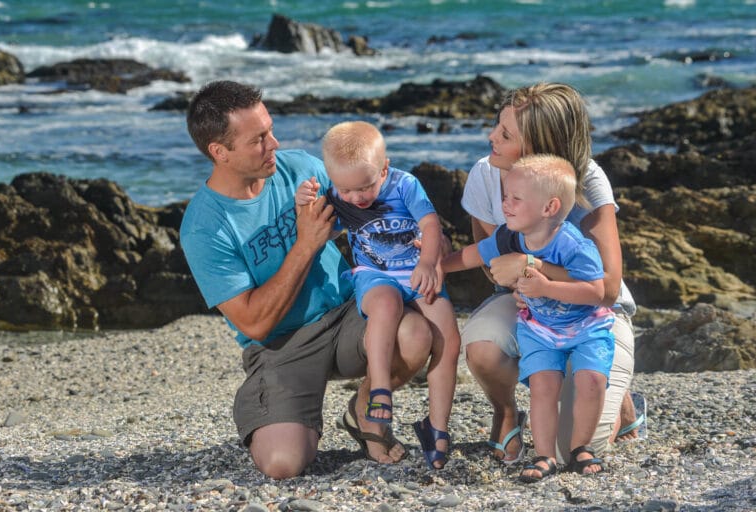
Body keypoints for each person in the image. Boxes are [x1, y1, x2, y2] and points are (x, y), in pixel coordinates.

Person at [179, 81, 437, 479]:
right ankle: (270, 405)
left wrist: (418, 239)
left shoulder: (302, 169)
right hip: (281, 346)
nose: (274, 144)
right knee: (283, 464)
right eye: (258, 140)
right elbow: (254, 323)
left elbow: (372, 208)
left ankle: (362, 411)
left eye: (270, 130)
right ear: (219, 152)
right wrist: (305, 244)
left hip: (348, 313)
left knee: (416, 334)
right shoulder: (204, 227)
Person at [459, 83, 639, 476]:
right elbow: (494, 264)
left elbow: (607, 289)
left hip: (596, 312)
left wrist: (531, 266)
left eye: (506, 134)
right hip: (531, 306)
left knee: (571, 449)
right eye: (497, 126)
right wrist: (428, 261)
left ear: (539, 147)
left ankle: (621, 397)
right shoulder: (485, 173)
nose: (491, 137)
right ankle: (506, 411)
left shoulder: (587, 180)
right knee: (482, 346)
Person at [295, 121, 461, 470]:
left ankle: (437, 427)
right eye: (347, 190)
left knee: (448, 340)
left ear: (384, 168)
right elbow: (316, 232)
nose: (357, 198)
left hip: (417, 270)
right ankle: (380, 391)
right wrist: (303, 206)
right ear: (332, 178)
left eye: (366, 187)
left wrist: (429, 262)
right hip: (375, 275)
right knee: (385, 304)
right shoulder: (336, 196)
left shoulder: (405, 185)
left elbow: (430, 224)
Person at [443, 154, 615, 482]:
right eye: (505, 196)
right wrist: (435, 267)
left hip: (586, 327)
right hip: (540, 328)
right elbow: (473, 254)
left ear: (549, 208)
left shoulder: (574, 245)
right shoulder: (509, 237)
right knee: (542, 386)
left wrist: (546, 286)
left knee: (591, 381)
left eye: (515, 199)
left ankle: (582, 448)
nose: (505, 205)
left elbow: (596, 292)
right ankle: (544, 455)